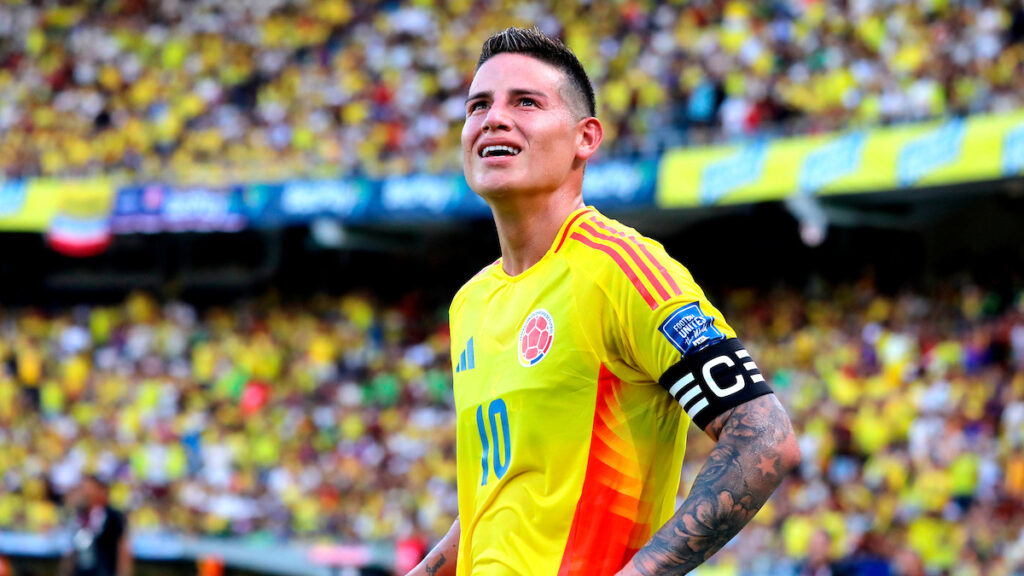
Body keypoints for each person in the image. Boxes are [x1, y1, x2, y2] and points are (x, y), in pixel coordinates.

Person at [406, 26, 800, 576]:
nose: (494, 117)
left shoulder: (624, 270)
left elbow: (765, 437)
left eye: (526, 102)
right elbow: (496, 496)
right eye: (479, 105)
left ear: (585, 138)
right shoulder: (470, 301)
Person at [59, 476, 132, 576]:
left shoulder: (111, 516)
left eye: (85, 489)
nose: (82, 493)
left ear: (97, 491)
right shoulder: (77, 518)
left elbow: (122, 550)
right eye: (80, 488)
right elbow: (71, 552)